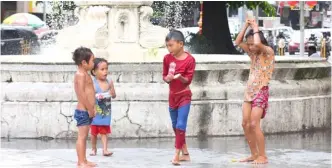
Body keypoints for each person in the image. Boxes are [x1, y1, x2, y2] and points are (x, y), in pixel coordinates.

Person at [235, 19, 275, 164]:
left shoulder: (268, 52)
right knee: (245, 124)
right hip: (249, 92)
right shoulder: (253, 54)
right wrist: (245, 25)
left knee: (254, 124)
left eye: (253, 44)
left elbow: (258, 44)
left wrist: (255, 27)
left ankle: (263, 156)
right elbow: (238, 42)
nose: (251, 47)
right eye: (249, 44)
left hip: (261, 91)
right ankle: (254, 154)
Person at [162, 30, 196, 166]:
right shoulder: (167, 58)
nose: (169, 49)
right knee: (175, 126)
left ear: (180, 44)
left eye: (171, 45)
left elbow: (188, 80)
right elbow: (164, 75)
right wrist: (168, 78)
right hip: (172, 96)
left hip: (184, 95)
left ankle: (176, 155)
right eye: (167, 46)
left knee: (181, 124)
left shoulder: (190, 60)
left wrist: (179, 76)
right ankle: (185, 153)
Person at [72, 47, 97, 168]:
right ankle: (80, 162)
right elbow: (81, 94)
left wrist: (94, 107)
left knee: (84, 136)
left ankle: (84, 160)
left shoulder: (85, 74)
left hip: (87, 110)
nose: (94, 63)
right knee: (82, 137)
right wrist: (90, 109)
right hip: (83, 111)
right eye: (92, 60)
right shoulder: (80, 75)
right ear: (84, 62)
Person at [89, 58, 116, 157]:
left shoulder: (109, 82)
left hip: (105, 111)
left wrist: (113, 94)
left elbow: (113, 95)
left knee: (104, 131)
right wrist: (92, 108)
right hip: (96, 111)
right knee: (94, 133)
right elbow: (90, 97)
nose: (105, 71)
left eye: (106, 69)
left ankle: (105, 149)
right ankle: (93, 148)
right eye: (102, 69)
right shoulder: (93, 83)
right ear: (94, 72)